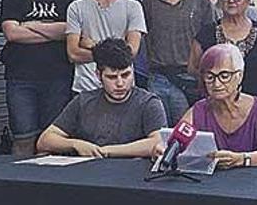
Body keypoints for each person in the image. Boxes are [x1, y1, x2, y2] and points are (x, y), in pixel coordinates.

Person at [0, 0, 75, 155]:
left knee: (51, 142)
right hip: (21, 79)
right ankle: (19, 185)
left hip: (58, 78)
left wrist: (31, 26)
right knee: (23, 139)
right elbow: (12, 34)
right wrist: (53, 31)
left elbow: (69, 31)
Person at [37, 38, 167, 157]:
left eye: (126, 75)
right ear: (98, 76)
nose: (120, 83)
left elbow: (158, 142)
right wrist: (76, 144)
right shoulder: (83, 101)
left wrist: (106, 151)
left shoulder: (148, 102)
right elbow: (45, 140)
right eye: (112, 77)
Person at [158, 44, 257, 168]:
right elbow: (174, 140)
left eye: (224, 76)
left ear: (239, 76)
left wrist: (242, 159)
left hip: (255, 182)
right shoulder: (198, 111)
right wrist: (162, 149)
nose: (217, 84)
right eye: (210, 77)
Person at [142, 0, 215, 124]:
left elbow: (211, 44)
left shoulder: (203, 2)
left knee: (188, 136)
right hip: (157, 76)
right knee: (159, 135)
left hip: (189, 79)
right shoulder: (148, 2)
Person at [66, 0, 147, 94]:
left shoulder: (133, 6)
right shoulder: (76, 7)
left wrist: (94, 47)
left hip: (121, 86)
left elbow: (131, 51)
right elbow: (73, 53)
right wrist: (115, 53)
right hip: (85, 87)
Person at [191, 0, 257, 97]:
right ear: (220, 1)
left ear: (247, 0)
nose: (231, 0)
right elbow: (193, 67)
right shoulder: (207, 32)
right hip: (215, 103)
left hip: (250, 102)